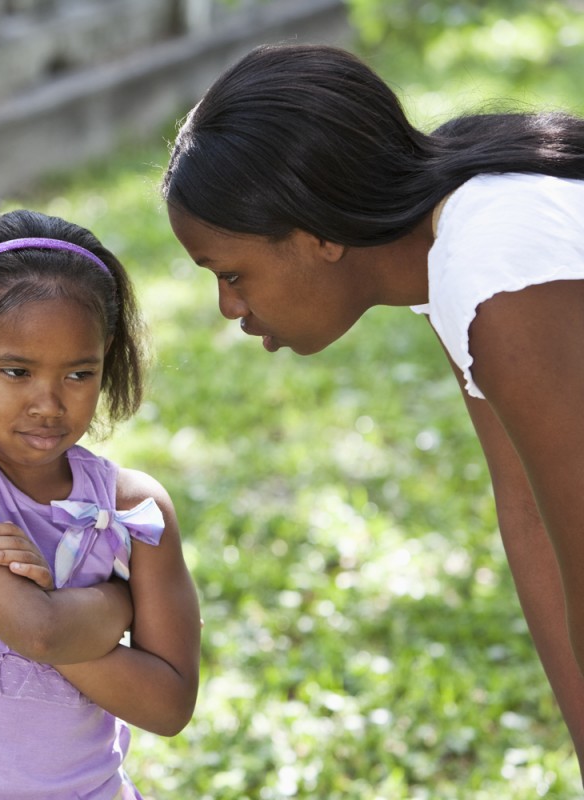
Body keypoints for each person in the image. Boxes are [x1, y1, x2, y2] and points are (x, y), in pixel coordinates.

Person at [162, 42, 584, 776]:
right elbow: (528, 511)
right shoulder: (453, 239)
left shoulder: (496, 272)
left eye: (232, 274)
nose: (229, 307)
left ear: (319, 233)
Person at [0, 209, 201, 800]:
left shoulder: (134, 508)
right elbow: (37, 632)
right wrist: (118, 601)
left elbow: (169, 705)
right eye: (16, 371)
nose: (48, 402)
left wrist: (53, 610)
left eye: (79, 373)